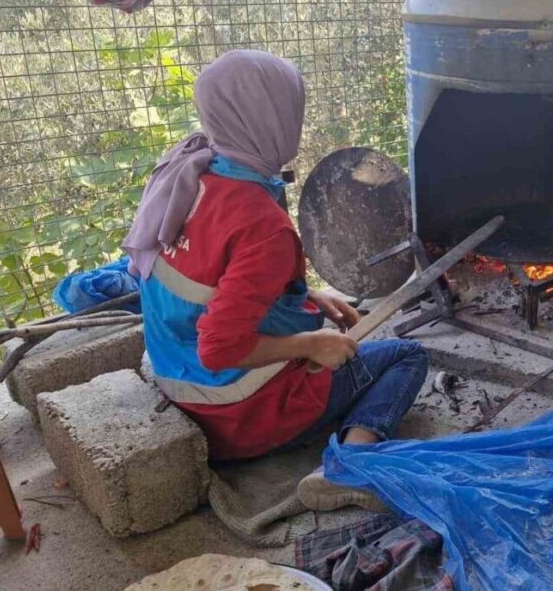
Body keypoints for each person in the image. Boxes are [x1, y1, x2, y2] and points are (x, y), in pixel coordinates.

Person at [122, 50, 427, 511]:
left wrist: (300, 294)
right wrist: (310, 344)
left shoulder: (187, 173)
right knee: (407, 356)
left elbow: (214, 279)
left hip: (176, 379)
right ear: (275, 118)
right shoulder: (262, 225)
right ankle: (350, 466)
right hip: (234, 413)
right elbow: (219, 347)